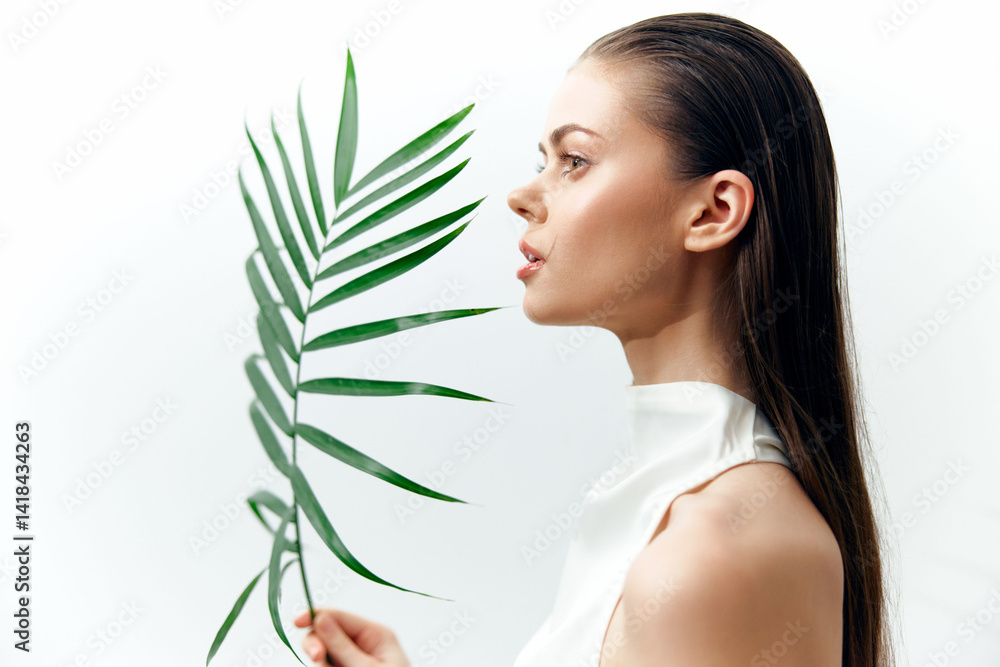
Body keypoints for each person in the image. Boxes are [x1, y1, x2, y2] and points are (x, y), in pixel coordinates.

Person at [296, 11, 896, 667]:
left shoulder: (710, 553)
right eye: (544, 161)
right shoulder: (674, 510)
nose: (524, 195)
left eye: (575, 160)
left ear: (714, 211)